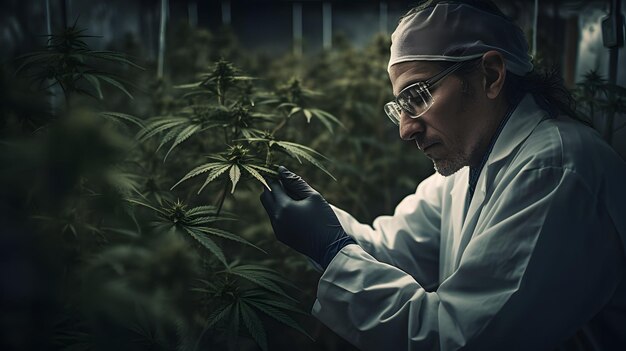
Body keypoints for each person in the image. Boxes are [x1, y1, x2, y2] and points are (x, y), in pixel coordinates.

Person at [260, 1, 626, 350]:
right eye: (400, 107)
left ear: (491, 75)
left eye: (418, 96)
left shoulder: (556, 171)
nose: (405, 130)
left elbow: (455, 337)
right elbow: (390, 253)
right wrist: (322, 228)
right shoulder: (466, 165)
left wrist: (331, 248)